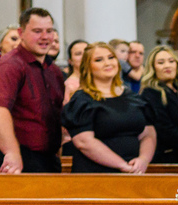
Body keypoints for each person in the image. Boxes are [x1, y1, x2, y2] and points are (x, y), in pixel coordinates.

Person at [0, 8, 66, 173]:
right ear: (21, 32)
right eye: (37, 31)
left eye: (49, 31)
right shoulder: (10, 65)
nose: (44, 37)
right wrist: (11, 152)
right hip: (18, 156)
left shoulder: (54, 70)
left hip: (47, 157)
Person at [61, 43, 156, 173]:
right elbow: (84, 142)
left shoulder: (133, 97)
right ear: (88, 67)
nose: (107, 63)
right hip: (96, 174)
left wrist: (143, 159)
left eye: (111, 57)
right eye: (99, 60)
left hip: (134, 170)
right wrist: (122, 165)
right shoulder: (82, 100)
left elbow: (148, 134)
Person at [140, 45, 178, 164]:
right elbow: (164, 128)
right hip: (169, 156)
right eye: (161, 62)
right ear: (153, 68)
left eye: (171, 61)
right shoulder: (150, 93)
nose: (167, 65)